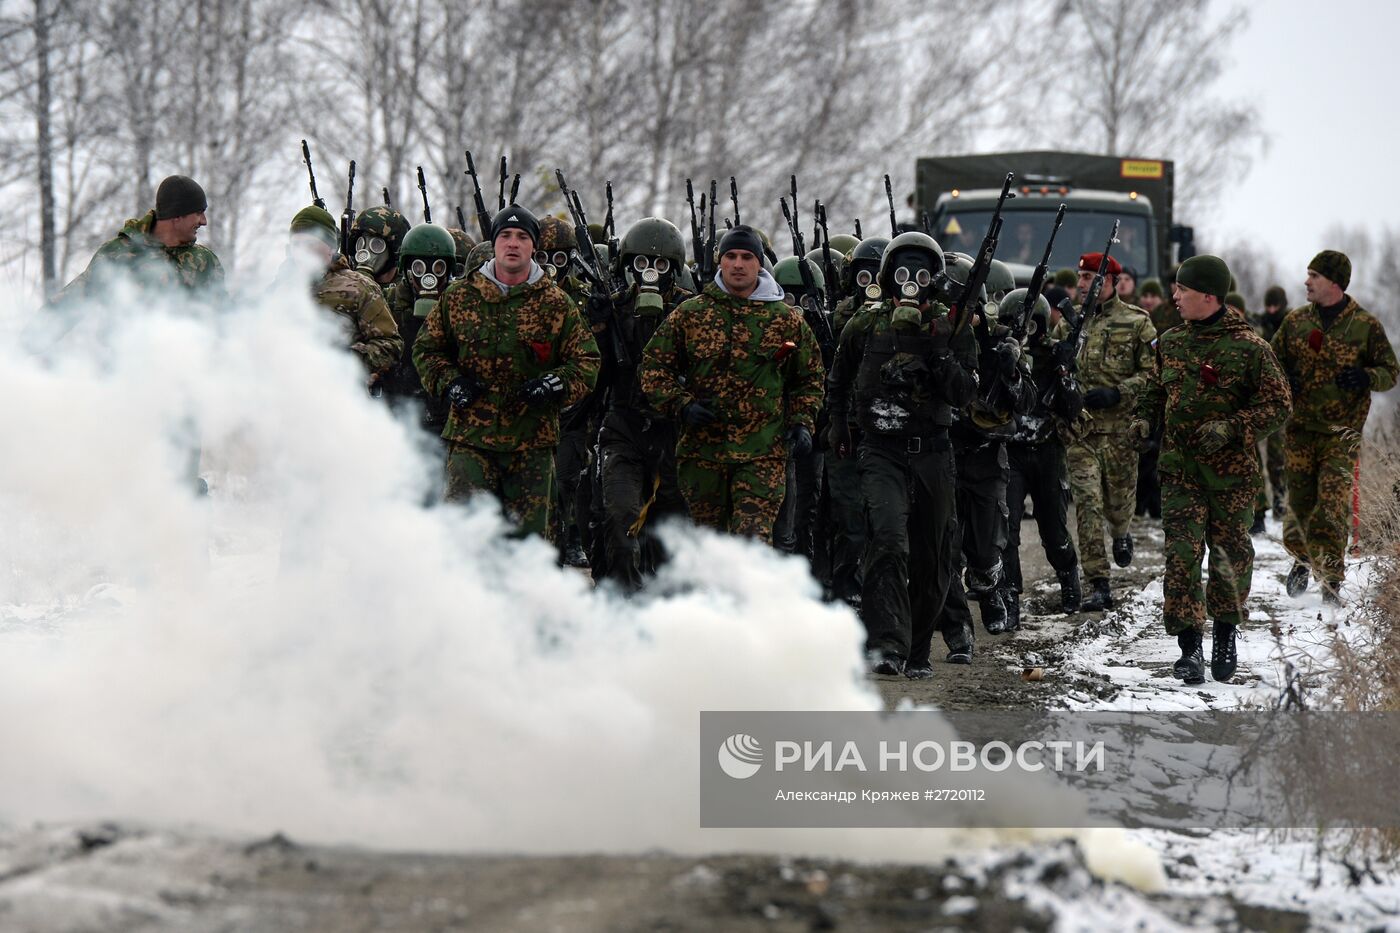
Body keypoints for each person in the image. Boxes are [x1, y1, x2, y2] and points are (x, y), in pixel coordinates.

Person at [824, 231, 980, 676]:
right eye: (903, 272)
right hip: (881, 450)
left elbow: (966, 393)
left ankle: (917, 650)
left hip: (932, 450)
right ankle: (887, 645)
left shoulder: (954, 327)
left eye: (921, 273)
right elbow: (838, 378)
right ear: (889, 277)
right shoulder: (866, 324)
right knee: (888, 542)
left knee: (933, 554)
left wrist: (936, 353)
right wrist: (838, 424)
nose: (911, 281)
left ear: (934, 279)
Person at [1134, 255, 1290, 684]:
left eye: (1183, 289)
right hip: (1180, 472)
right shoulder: (1170, 342)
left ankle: (1225, 633)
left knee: (1228, 558)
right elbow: (1153, 390)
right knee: (1181, 558)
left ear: (1208, 295)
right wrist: (1144, 419)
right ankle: (1189, 647)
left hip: (1231, 478)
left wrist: (1232, 427)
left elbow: (1279, 405)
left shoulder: (1250, 348)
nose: (1175, 295)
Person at [413, 205, 601, 539]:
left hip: (531, 445)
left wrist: (555, 383)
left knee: (529, 546)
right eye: (505, 236)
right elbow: (426, 350)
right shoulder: (459, 297)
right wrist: (450, 381)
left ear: (534, 247)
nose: (512, 243)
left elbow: (587, 361)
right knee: (462, 537)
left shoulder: (555, 303)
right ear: (494, 242)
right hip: (471, 440)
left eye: (522, 237)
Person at [640, 225, 824, 543]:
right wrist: (682, 405)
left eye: (747, 257)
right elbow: (654, 368)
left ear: (759, 263)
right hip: (702, 454)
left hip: (762, 454)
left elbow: (809, 378)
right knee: (706, 548)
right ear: (721, 262)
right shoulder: (691, 315)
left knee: (751, 545)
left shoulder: (786, 320)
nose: (738, 264)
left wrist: (802, 422)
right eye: (731, 256)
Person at [1271, 251, 1398, 603]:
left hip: (1340, 435)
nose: (1306, 281)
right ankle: (1300, 558)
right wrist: (1285, 380)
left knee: (1332, 505)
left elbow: (1391, 373)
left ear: (1335, 282)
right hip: (1299, 431)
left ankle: (1330, 579)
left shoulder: (1364, 326)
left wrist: (1364, 376)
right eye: (1307, 274)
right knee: (1300, 502)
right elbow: (1269, 363)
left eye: (1314, 275)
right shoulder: (1296, 322)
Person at [589, 217, 691, 588]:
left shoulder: (691, 314)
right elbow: (593, 377)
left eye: (661, 265)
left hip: (674, 434)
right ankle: (622, 601)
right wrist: (599, 329)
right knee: (619, 517)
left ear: (674, 270)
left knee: (672, 531)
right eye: (642, 264)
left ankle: (669, 613)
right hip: (624, 429)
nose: (650, 272)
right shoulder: (614, 310)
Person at [1056, 251, 1157, 611]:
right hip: (1081, 434)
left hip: (1120, 435)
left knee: (1118, 506)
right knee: (1087, 504)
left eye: (1089, 279)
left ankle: (1122, 532)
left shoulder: (1137, 323)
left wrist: (1118, 392)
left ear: (1111, 282)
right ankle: (1099, 583)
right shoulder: (1069, 324)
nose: (1082, 284)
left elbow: (1152, 375)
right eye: (1080, 278)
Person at [1005, 288, 1084, 615]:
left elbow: (1074, 407)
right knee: (1005, 530)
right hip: (1010, 451)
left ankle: (1068, 574)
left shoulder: (1055, 355)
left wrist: (1065, 371)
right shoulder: (1004, 353)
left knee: (1053, 531)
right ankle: (1008, 595)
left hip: (1048, 450)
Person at [54, 174, 224, 306]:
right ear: (177, 216)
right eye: (198, 212)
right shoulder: (118, 254)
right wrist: (29, 345)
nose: (204, 221)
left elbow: (223, 318)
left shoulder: (205, 260)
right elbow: (71, 304)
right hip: (129, 351)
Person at [286, 205, 404, 381]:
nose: (302, 251)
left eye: (311, 244)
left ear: (330, 248)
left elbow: (391, 345)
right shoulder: (282, 290)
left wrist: (348, 360)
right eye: (296, 244)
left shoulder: (359, 287)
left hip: (341, 397)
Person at [1259, 284, 1290, 518]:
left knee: (1280, 453)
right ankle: (1273, 498)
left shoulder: (1290, 324)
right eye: (1268, 305)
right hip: (1263, 395)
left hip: (1286, 396)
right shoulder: (1260, 323)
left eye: (1275, 306)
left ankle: (1281, 497)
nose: (1271, 310)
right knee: (1269, 455)